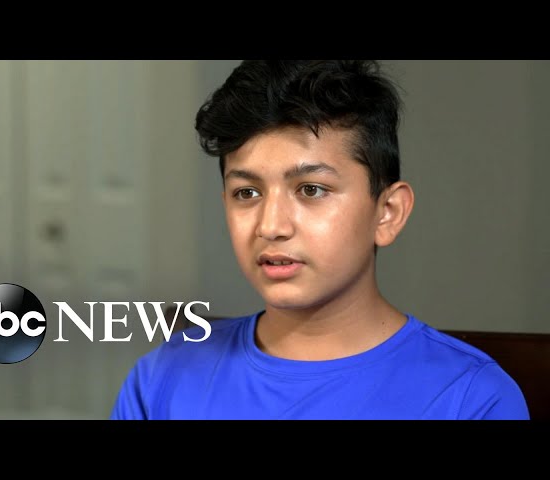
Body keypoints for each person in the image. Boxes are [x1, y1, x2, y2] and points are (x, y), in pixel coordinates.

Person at [110, 60, 529, 420]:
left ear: (387, 212)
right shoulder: (162, 379)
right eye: (247, 193)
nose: (271, 225)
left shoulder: (469, 398)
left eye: (311, 189)